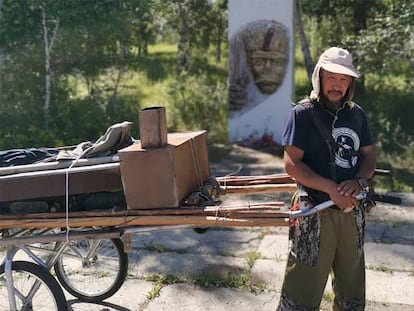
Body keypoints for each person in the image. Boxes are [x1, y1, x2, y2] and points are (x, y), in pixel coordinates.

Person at [278, 47, 376, 310]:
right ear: (319, 77)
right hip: (314, 212)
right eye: (331, 78)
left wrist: (359, 181)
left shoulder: (356, 114)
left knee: (352, 289)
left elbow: (369, 155)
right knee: (302, 291)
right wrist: (330, 188)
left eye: (343, 80)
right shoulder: (302, 114)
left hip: (351, 212)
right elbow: (292, 164)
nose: (337, 85)